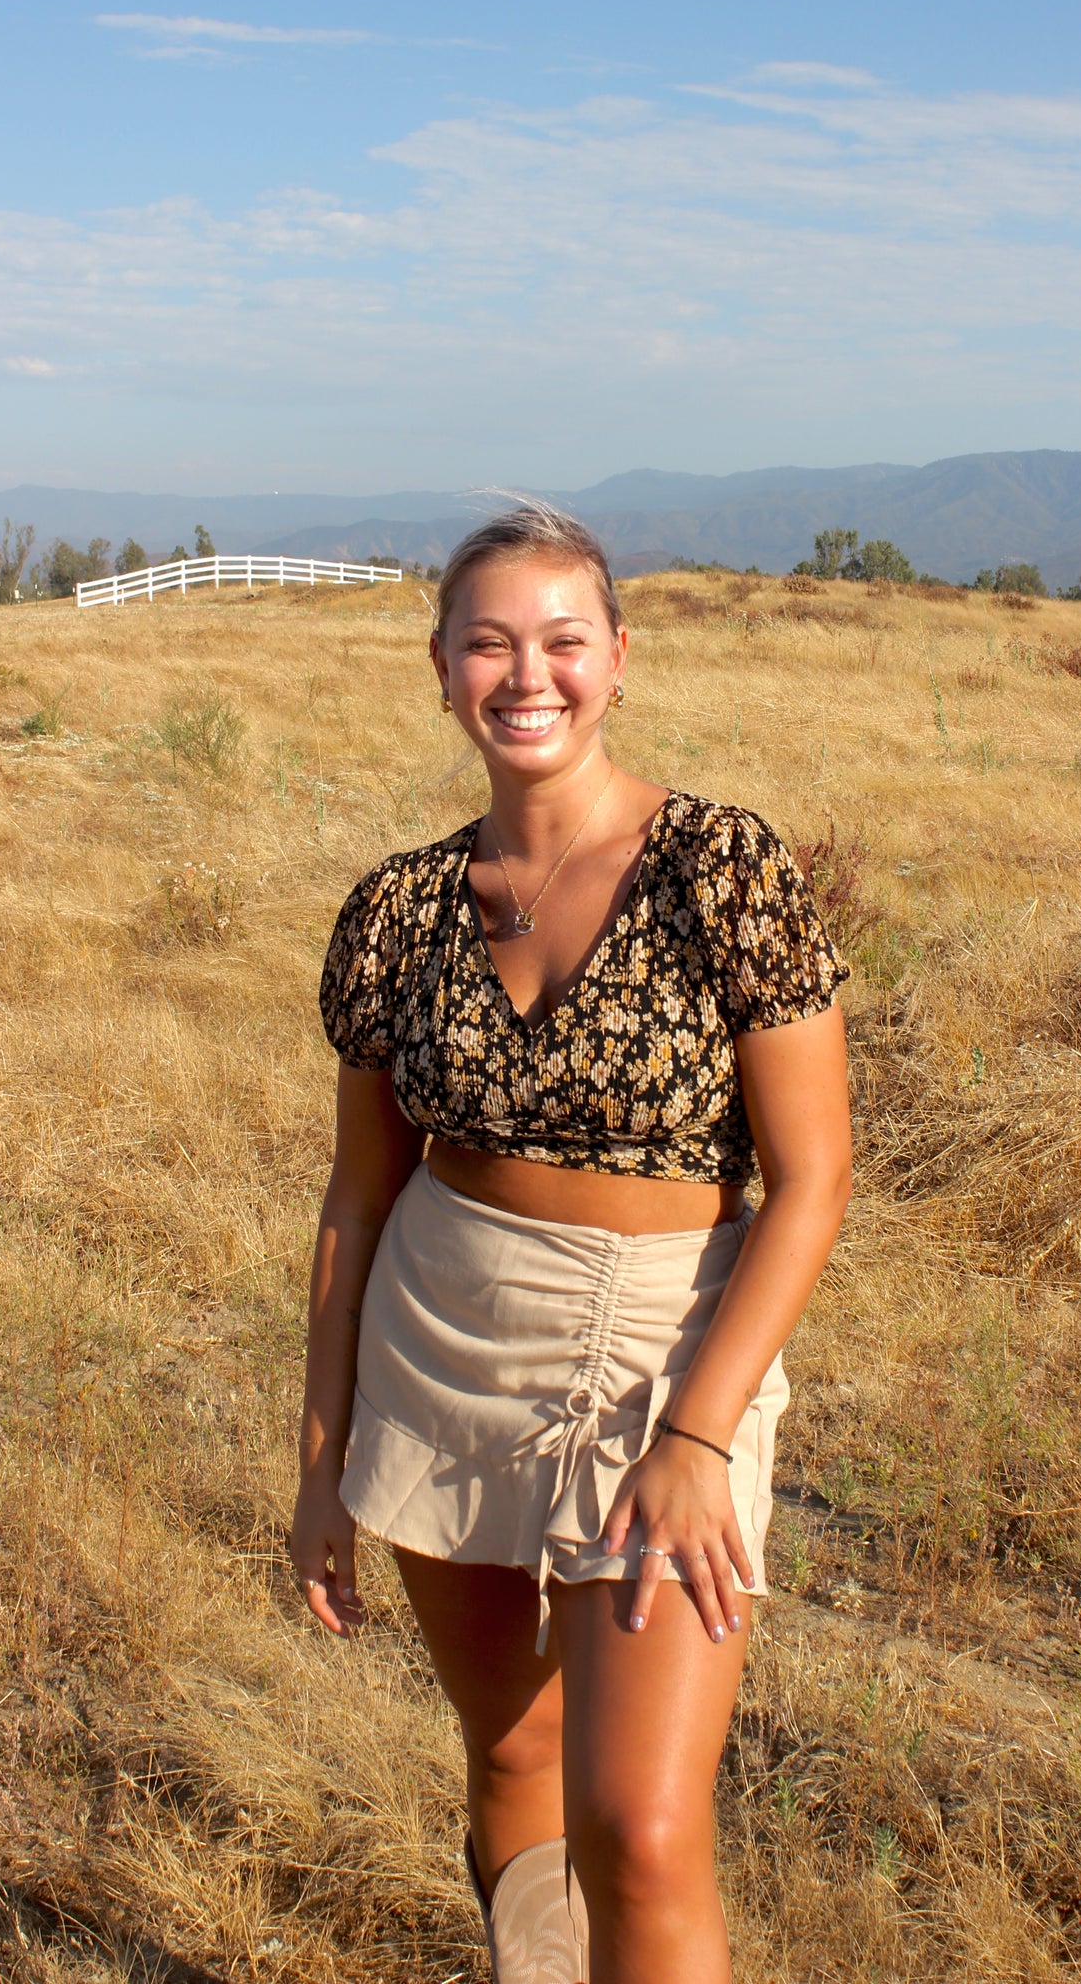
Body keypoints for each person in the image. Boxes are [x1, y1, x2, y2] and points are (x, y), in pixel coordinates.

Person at [292, 505, 853, 1984]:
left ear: (617, 658)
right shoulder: (395, 913)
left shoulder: (719, 869)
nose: (523, 674)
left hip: (665, 1353)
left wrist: (699, 1430)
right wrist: (317, 1468)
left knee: (643, 1826)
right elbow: (357, 1200)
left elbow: (810, 1181)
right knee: (515, 1761)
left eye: (559, 640)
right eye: (488, 641)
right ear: (440, 668)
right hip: (441, 1335)